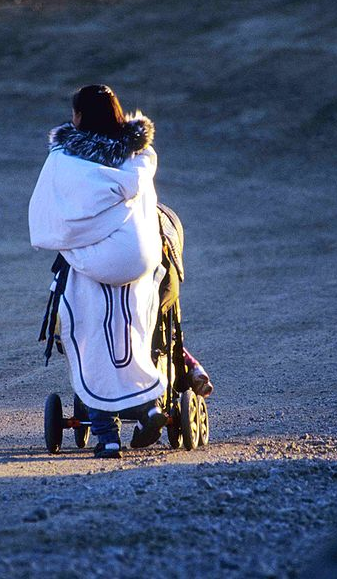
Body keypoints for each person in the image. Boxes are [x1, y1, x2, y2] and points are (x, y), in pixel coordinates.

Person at [29, 85, 209, 458]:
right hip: (140, 262)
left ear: (79, 117)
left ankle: (107, 435)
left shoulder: (65, 157)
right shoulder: (140, 154)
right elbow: (147, 209)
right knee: (135, 332)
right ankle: (149, 410)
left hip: (95, 264)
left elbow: (53, 211)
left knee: (90, 333)